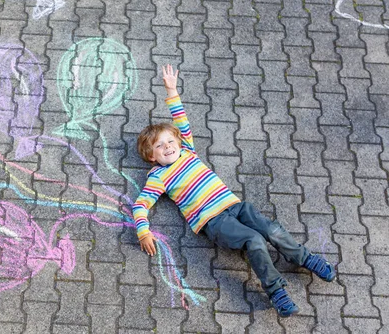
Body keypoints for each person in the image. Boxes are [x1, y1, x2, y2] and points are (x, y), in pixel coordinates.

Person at [132, 64, 336, 317]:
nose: (168, 147)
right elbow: (140, 204)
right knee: (255, 241)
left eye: (171, 141)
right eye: (160, 146)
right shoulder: (158, 176)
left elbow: (181, 120)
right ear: (151, 157)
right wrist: (143, 232)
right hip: (213, 221)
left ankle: (302, 257)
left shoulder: (188, 151)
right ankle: (276, 290)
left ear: (180, 142)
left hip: (235, 206)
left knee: (271, 229)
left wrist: (171, 90)